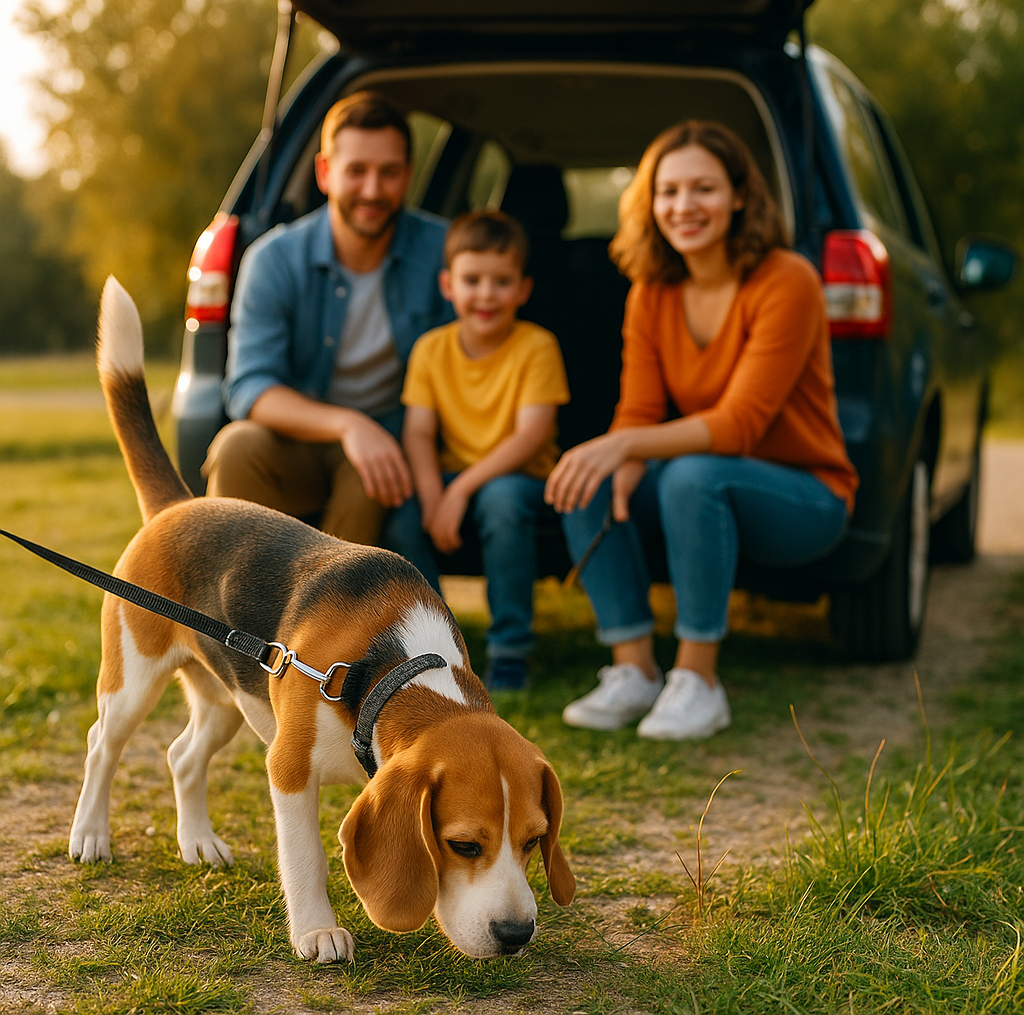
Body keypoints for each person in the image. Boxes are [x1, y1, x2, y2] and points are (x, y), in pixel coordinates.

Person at [545, 120, 859, 740]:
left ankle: (699, 680)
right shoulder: (652, 290)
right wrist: (621, 459)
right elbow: (638, 409)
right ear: (650, 202)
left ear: (740, 195)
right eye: (668, 191)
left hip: (807, 497)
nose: (683, 206)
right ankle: (634, 669)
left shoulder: (788, 279)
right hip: (705, 480)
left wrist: (626, 445)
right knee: (587, 475)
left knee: (690, 476)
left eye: (703, 189)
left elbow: (741, 424)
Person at [203, 91, 453, 544]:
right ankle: (234, 592)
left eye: (388, 172)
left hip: (393, 443)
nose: (372, 190)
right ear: (325, 172)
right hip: (299, 437)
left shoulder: (443, 253)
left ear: (407, 176)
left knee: (372, 473)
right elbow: (250, 387)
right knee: (236, 447)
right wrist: (348, 424)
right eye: (356, 171)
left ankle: (334, 594)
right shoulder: (274, 259)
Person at [385, 210, 570, 690]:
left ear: (523, 290)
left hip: (521, 478)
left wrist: (459, 491)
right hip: (452, 478)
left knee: (501, 500)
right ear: (447, 285)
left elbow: (530, 436)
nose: (486, 295)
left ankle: (510, 650)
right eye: (472, 281)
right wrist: (433, 496)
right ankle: (435, 647)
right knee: (403, 511)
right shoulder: (431, 349)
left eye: (501, 282)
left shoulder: (537, 347)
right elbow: (418, 433)